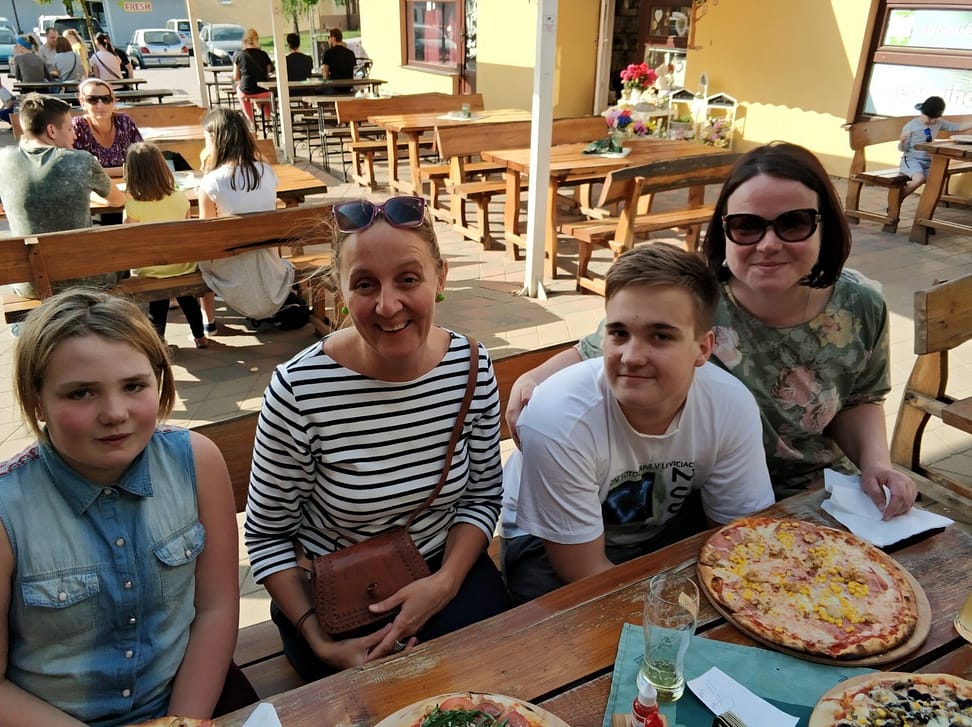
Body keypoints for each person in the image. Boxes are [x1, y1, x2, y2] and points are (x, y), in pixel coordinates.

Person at [506, 142, 918, 520]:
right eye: (747, 226)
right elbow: (598, 352)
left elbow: (861, 398)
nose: (768, 244)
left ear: (825, 226)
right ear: (724, 231)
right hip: (704, 500)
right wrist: (531, 380)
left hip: (822, 492)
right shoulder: (692, 301)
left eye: (793, 223)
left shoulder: (860, 305)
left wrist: (876, 464)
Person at [245, 195, 510, 680]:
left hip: (445, 570)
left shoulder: (470, 367)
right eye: (365, 284)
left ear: (440, 278)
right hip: (337, 600)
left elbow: (481, 496)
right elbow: (267, 536)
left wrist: (445, 584)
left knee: (497, 683)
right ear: (339, 288)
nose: (388, 306)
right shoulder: (299, 391)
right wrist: (320, 642)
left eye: (408, 279)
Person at [0, 288, 244, 725]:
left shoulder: (197, 462)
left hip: (184, 701)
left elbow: (216, 608)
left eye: (133, 386)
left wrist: (180, 722)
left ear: (159, 380)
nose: (114, 413)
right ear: (37, 401)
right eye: (81, 393)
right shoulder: (7, 511)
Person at [501, 243, 775, 604]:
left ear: (703, 349)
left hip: (662, 524)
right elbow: (582, 571)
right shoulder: (559, 420)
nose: (631, 357)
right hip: (548, 540)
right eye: (618, 333)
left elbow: (736, 542)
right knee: (565, 620)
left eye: (661, 336)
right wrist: (668, 610)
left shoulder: (730, 406)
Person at [0, 94, 125, 299]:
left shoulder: (3, 160)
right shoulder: (80, 160)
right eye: (69, 129)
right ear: (51, 131)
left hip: (29, 283)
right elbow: (118, 200)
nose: (74, 136)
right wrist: (88, 194)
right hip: (86, 280)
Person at [196, 107, 293, 332]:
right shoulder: (266, 172)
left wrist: (207, 171)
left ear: (214, 139)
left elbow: (206, 238)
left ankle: (208, 322)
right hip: (267, 259)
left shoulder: (210, 182)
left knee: (199, 256)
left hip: (231, 264)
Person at [123, 142, 208, 351]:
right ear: (163, 168)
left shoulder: (132, 206)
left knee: (157, 303)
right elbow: (187, 229)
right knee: (188, 300)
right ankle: (200, 336)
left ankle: (159, 340)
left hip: (152, 269)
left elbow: (129, 240)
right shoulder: (180, 197)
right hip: (182, 265)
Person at [899, 95, 972, 198]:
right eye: (930, 118)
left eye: (936, 118)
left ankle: (926, 204)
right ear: (922, 112)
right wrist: (902, 141)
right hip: (912, 160)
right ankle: (897, 199)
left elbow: (957, 127)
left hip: (929, 161)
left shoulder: (938, 123)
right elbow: (903, 149)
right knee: (919, 179)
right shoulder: (911, 126)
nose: (933, 121)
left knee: (938, 179)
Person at [72, 77, 143, 177]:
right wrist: (127, 170)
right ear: (82, 102)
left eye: (106, 99)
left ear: (113, 101)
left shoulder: (124, 122)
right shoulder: (78, 127)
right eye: (92, 99)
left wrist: (100, 172)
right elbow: (79, 169)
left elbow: (143, 160)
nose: (100, 105)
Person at [233, 28, 273, 131]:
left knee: (239, 90)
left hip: (247, 90)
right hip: (262, 90)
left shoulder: (238, 55)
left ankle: (252, 122)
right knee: (267, 94)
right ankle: (267, 121)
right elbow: (268, 71)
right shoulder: (263, 54)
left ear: (244, 41)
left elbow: (236, 77)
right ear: (257, 40)